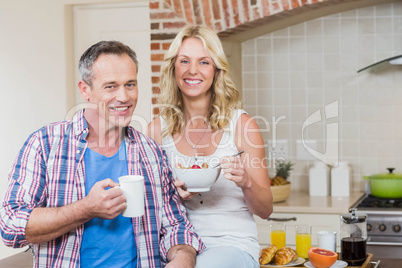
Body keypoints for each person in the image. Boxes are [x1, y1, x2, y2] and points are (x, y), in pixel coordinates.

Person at [0, 40, 204, 268]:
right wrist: (86, 208)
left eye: (130, 84)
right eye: (110, 86)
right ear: (85, 90)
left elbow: (176, 225)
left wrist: (184, 258)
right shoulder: (45, 144)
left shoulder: (151, 152)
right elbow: (11, 227)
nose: (124, 96)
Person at [147, 25, 273, 268]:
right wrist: (170, 195)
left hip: (232, 244)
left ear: (216, 70)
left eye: (204, 62)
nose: (192, 70)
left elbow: (265, 210)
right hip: (177, 244)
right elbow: (149, 207)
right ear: (173, 68)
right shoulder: (155, 131)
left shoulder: (242, 126)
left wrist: (246, 182)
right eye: (184, 61)